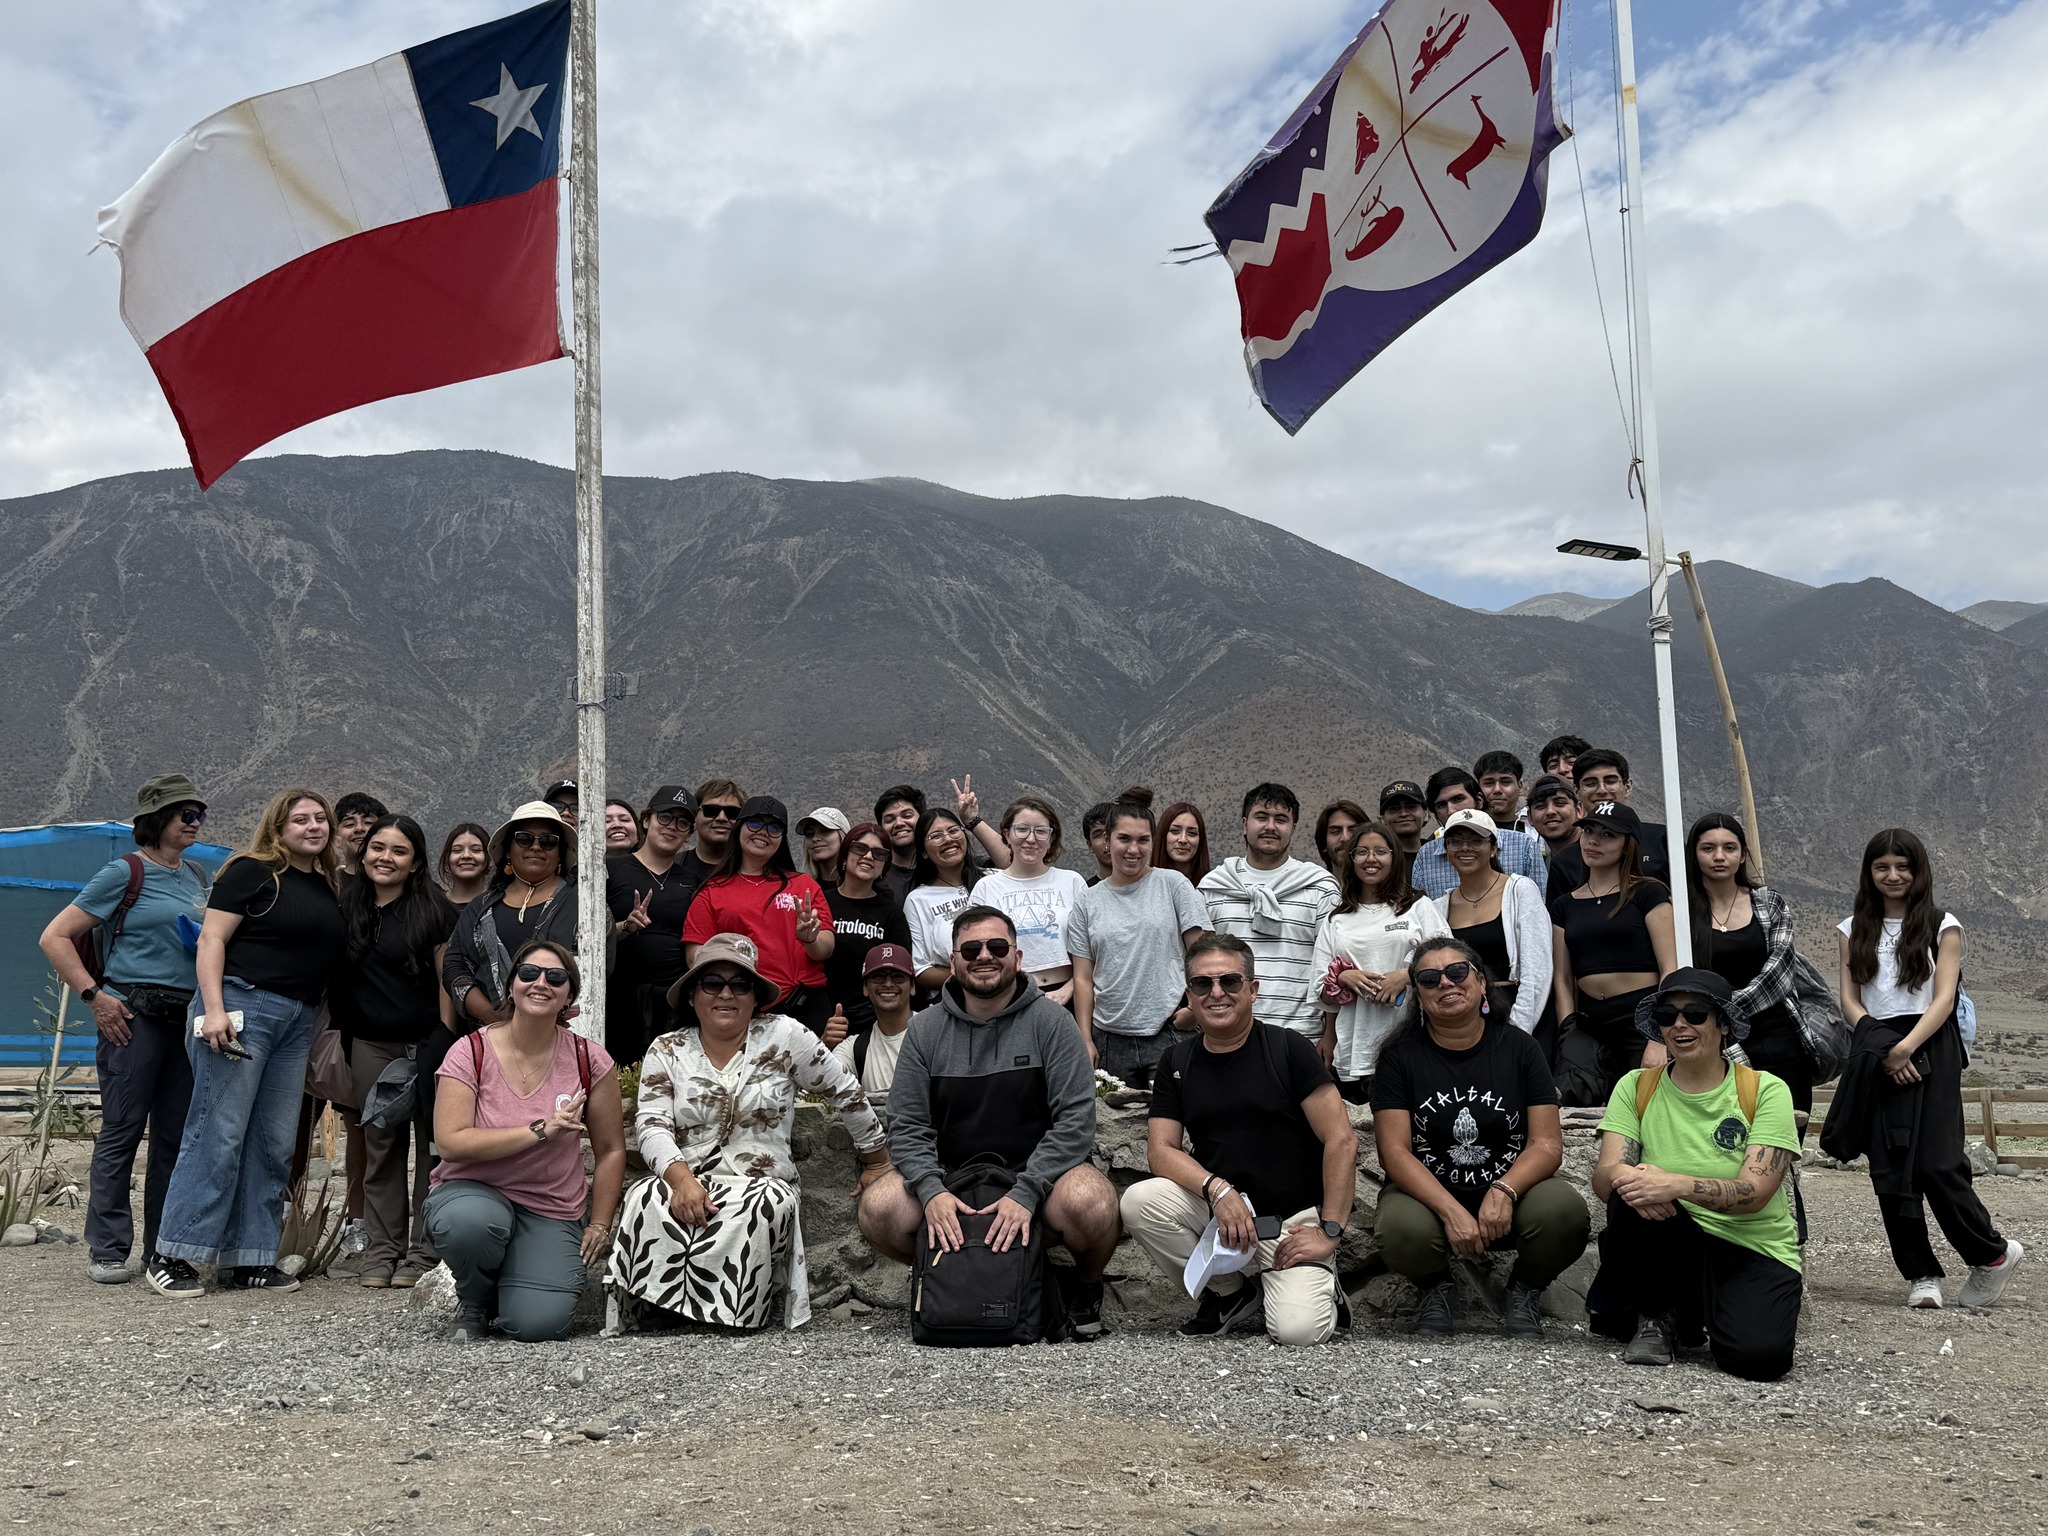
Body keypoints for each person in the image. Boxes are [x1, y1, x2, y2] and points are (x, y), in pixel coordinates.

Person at [858, 907, 1121, 1339]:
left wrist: (1027, 1190)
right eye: (972, 948)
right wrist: (930, 1191)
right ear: (954, 959)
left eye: (998, 947)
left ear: (1017, 958)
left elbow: (1075, 1121)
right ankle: (957, 1271)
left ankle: (1084, 1287)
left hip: (1037, 1176)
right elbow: (906, 1125)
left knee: (1093, 1201)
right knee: (878, 1208)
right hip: (952, 1179)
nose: (985, 956)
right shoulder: (925, 1030)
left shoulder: (1052, 1023)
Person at [608, 932, 889, 1331]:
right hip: (688, 1175)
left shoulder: (786, 1036)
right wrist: (682, 1180)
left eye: (740, 984)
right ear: (692, 994)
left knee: (760, 1204)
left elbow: (844, 1089)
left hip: (761, 1179)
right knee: (642, 1195)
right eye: (712, 983)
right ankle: (657, 1308)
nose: (727, 993)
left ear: (756, 996)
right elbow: (651, 1124)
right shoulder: (666, 1049)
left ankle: (732, 1313)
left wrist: (877, 1158)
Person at [146, 789, 346, 1298]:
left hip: (297, 1018)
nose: (313, 826)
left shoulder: (328, 885)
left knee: (273, 1140)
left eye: (320, 818)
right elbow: (212, 940)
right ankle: (174, 1253)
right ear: (277, 827)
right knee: (219, 1130)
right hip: (242, 1006)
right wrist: (213, 1010)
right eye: (299, 819)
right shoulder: (251, 871)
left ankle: (250, 1258)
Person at [1121, 934, 1357, 1343]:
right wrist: (1217, 1190)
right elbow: (1161, 1151)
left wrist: (1330, 1232)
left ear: (1253, 990)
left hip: (1289, 1222)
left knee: (1298, 1333)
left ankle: (1319, 1283)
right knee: (1140, 1201)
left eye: (1230, 982)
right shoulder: (1177, 1060)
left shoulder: (1289, 1049)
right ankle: (1229, 1295)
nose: (1216, 993)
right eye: (1202, 984)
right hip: (1220, 1215)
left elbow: (1341, 1140)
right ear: (1189, 996)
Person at [1824, 830, 2022, 1310]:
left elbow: (1944, 998)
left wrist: (1906, 1049)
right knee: (1889, 1167)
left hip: (1932, 1040)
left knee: (1937, 1163)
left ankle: (1992, 1255)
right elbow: (1850, 999)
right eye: (1882, 867)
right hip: (1876, 1041)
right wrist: (1884, 1047)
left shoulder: (1941, 924)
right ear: (1869, 873)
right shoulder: (1853, 928)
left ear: (1918, 871)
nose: (1893, 876)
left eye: (1902, 867)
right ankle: (1921, 1274)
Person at [37, 773, 211, 1285]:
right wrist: (95, 998)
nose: (194, 821)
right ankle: (108, 1247)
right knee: (122, 1130)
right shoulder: (124, 872)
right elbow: (55, 937)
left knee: (174, 1138)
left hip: (186, 1020)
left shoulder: (198, 876)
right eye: (184, 813)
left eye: (199, 812)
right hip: (132, 1017)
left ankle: (163, 1249)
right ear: (157, 820)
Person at [1588, 969, 1801, 1379]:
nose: (1680, 1025)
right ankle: (1657, 1314)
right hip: (1670, 1237)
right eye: (1667, 1016)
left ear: (1723, 1023)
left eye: (1696, 1013)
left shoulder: (1765, 1090)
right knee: (1629, 1189)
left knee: (1761, 1360)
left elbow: (1755, 1191)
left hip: (1750, 1246)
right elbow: (1605, 1175)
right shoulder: (1636, 1086)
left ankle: (1696, 1314)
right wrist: (1636, 1180)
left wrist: (1674, 1184)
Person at [1372, 938, 1589, 1338]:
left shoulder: (1521, 1049)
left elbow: (1546, 1144)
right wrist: (1450, 1210)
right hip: (1429, 1195)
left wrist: (1504, 1189)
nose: (1446, 984)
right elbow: (1394, 1152)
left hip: (1511, 1191)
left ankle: (1524, 1287)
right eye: (1429, 978)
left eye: (1457, 973)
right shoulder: (1400, 1057)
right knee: (1399, 1228)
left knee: (1563, 1211)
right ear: (1418, 994)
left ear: (1482, 983)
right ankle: (1437, 1288)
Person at [426, 942, 625, 1342]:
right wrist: (540, 1130)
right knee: (471, 1224)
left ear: (569, 995)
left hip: (550, 1206)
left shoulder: (590, 1059)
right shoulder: (470, 1051)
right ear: (511, 984)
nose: (541, 984)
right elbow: (450, 1142)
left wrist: (601, 1223)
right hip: (473, 1192)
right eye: (529, 973)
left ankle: (513, 1291)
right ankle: (476, 1300)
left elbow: (612, 1149)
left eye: (556, 978)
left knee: (539, 1324)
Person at [335, 814, 457, 1288]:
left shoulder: (436, 911)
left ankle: (423, 1253)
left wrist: (444, 1039)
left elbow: (449, 977)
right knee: (380, 1147)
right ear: (363, 854)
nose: (385, 857)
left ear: (416, 862)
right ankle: (381, 1251)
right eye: (377, 847)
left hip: (429, 1045)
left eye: (398, 851)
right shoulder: (347, 908)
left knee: (433, 1148)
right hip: (371, 1045)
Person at [1687, 813, 1843, 1119]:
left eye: (1729, 848)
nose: (1719, 856)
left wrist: (1725, 1009)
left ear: (1743, 854)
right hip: (1709, 1039)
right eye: (1708, 848)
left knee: (1784, 1133)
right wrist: (1716, 1018)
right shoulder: (1680, 911)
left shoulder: (1769, 903)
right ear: (1693, 853)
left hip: (1777, 1035)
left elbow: (1779, 973)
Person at [1066, 802, 1211, 1088]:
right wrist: (1085, 1038)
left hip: (1169, 1032)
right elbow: (1083, 978)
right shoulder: (1088, 900)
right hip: (1108, 1038)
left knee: (1177, 1123)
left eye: (1143, 840)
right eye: (1124, 839)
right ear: (1107, 841)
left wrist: (1196, 1009)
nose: (1134, 849)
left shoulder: (1174, 885)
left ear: (1152, 842)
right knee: (1113, 1128)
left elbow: (1203, 954)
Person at [1549, 802, 1677, 1106]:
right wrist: (1568, 1030)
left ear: (1627, 844)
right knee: (1577, 1111)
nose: (1593, 840)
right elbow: (1562, 978)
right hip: (1590, 1024)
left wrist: (1659, 1035)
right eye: (1589, 831)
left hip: (1641, 1020)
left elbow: (1670, 969)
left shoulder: (1649, 893)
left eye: (1608, 834)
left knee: (1647, 1109)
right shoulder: (1564, 906)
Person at [1310, 821, 1448, 1099]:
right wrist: (1343, 978)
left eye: (1380, 851)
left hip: (1413, 1041)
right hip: (1355, 1046)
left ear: (1394, 857)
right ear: (1351, 860)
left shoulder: (1417, 906)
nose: (1370, 859)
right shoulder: (1336, 918)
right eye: (1361, 852)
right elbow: (1319, 987)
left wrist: (1406, 975)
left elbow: (1447, 960)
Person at [1200, 783, 1340, 1045]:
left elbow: (1332, 965)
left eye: (1281, 819)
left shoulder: (1320, 887)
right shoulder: (1215, 887)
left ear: (1294, 829)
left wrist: (1331, 1034)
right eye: (1261, 817)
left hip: (1302, 1036)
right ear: (1244, 824)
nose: (1270, 827)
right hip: (1228, 1036)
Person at [683, 796, 836, 1032]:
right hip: (745, 1006)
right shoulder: (711, 891)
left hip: (806, 1006)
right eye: (755, 824)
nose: (763, 832)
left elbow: (826, 948)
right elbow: (695, 957)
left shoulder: (803, 885)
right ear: (739, 828)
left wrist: (811, 939)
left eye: (774, 828)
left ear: (781, 839)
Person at [444, 802, 584, 1029]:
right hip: (490, 1036)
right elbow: (455, 964)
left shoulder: (584, 903)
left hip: (565, 1032)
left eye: (548, 841)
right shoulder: (480, 907)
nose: (536, 847)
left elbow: (597, 964)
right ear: (508, 849)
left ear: (560, 852)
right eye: (524, 838)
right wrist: (493, 1017)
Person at [1429, 809, 1552, 1047]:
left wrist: (1516, 1033)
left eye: (1476, 840)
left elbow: (1537, 971)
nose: (1465, 848)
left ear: (1493, 847)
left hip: (1518, 1014)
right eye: (1455, 841)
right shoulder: (1438, 908)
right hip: (1464, 1023)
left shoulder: (1520, 891)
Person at [605, 785, 698, 1064]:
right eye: (665, 817)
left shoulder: (692, 881)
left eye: (683, 822)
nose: (673, 827)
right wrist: (626, 926)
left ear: (689, 834)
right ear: (646, 820)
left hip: (673, 1002)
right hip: (618, 999)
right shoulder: (611, 870)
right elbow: (586, 937)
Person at [971, 796, 1088, 1008]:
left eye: (1041, 831)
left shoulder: (1072, 881)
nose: (1031, 839)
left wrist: (1069, 989)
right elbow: (976, 948)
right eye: (1022, 829)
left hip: (1068, 996)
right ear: (1007, 834)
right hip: (1009, 997)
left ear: (1052, 838)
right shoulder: (987, 887)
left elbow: (1093, 947)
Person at [818, 822, 912, 1039]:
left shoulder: (892, 913)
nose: (869, 856)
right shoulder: (821, 900)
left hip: (874, 1023)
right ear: (844, 855)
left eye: (879, 854)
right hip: (823, 1016)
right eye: (860, 848)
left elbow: (900, 973)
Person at [1411, 769, 1547, 900]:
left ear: (1479, 800)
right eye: (1441, 805)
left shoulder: (1523, 846)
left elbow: (1540, 905)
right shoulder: (1426, 855)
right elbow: (1420, 914)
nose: (1451, 810)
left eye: (1458, 799)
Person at [831, 944, 918, 1104]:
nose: (888, 984)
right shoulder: (854, 1048)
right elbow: (824, 1084)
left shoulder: (935, 1034)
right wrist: (824, 1045)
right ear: (865, 988)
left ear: (912, 986)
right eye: (878, 977)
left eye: (898, 976)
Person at [902, 808, 977, 992]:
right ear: (924, 852)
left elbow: (1014, 863)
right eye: (936, 836)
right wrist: (975, 976)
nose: (948, 839)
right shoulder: (918, 900)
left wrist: (974, 821)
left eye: (953, 830)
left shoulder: (992, 880)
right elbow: (921, 970)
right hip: (953, 1001)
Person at [1568, 749, 1668, 883]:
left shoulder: (1663, 840)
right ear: (1577, 791)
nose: (1602, 790)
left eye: (1610, 781)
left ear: (1628, 787)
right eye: (1590, 783)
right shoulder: (1565, 861)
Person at [1523, 775, 1582, 902]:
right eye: (1540, 806)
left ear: (1579, 810)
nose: (1550, 811)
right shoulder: (1536, 862)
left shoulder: (1596, 857)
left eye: (1560, 803)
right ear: (1530, 818)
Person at [1154, 801, 1212, 884]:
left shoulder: (1214, 886)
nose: (1183, 839)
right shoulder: (1144, 884)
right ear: (1163, 836)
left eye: (1192, 833)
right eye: (1175, 831)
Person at [438, 822, 492, 907]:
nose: (466, 855)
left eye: (476, 850)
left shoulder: (499, 904)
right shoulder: (432, 906)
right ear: (447, 859)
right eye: (457, 850)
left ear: (490, 859)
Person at [333, 792, 387, 875]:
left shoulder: (400, 884)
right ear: (336, 837)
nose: (359, 828)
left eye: (368, 822)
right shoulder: (327, 885)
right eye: (349, 824)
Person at [797, 807, 850, 891]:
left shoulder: (862, 887)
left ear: (843, 836)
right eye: (809, 833)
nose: (815, 838)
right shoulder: (801, 889)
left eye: (825, 831)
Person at [1311, 799, 1369, 875]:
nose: (1345, 838)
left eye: (1354, 830)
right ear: (1323, 844)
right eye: (1335, 832)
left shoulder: (1387, 886)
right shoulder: (1313, 886)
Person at [1474, 750, 1526, 831]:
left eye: (1506, 782)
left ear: (1520, 787)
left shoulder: (1536, 831)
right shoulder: (1469, 830)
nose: (1497, 789)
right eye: (1489, 783)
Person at [1378, 781, 1429, 857]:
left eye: (1411, 807)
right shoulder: (1378, 860)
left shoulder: (1443, 854)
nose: (1403, 814)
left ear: (1426, 814)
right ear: (1382, 819)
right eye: (1394, 808)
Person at [1080, 801, 1116, 884]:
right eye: (1099, 835)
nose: (1107, 841)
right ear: (1090, 845)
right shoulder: (1085, 892)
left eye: (1113, 832)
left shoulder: (1149, 886)